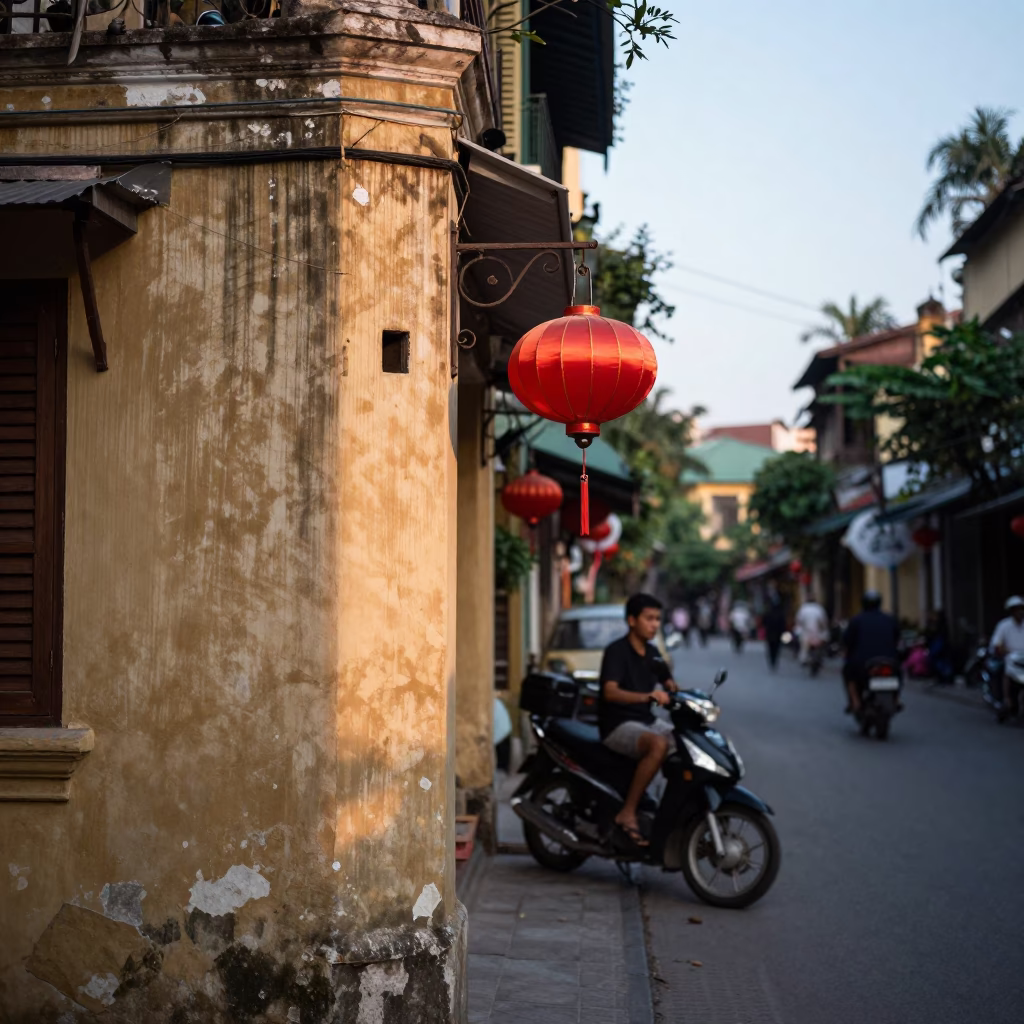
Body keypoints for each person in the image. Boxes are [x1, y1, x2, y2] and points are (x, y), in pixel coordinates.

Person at [599, 593, 678, 847]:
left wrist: (685, 697)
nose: (655, 625)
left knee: (686, 742)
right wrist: (648, 697)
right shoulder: (616, 651)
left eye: (658, 619)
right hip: (617, 725)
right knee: (658, 745)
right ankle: (628, 811)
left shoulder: (653, 654)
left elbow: (670, 685)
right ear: (632, 620)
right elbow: (610, 692)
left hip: (645, 721)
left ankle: (668, 810)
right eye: (649, 618)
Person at [842, 591, 900, 713]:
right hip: (889, 660)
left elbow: (847, 641)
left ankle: (855, 702)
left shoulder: (856, 620)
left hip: (862, 663)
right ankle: (896, 699)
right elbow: (897, 639)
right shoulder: (890, 619)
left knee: (849, 674)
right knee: (898, 674)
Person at [991, 596, 1024, 721]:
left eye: (1022, 609)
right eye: (1017, 609)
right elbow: (997, 644)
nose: (1020, 612)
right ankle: (1005, 699)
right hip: (1010, 659)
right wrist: (1003, 650)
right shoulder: (1004, 625)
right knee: (1005, 671)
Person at [795, 595, 829, 665]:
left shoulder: (804, 608)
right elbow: (823, 621)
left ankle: (805, 659)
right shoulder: (819, 608)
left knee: (804, 648)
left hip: (807, 632)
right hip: (816, 633)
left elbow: (799, 620)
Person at [762, 597, 787, 671]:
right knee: (776, 649)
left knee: (771, 649)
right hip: (778, 634)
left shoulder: (768, 613)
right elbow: (783, 625)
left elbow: (764, 622)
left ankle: (772, 661)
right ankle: (774, 661)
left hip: (770, 634)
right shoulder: (780, 614)